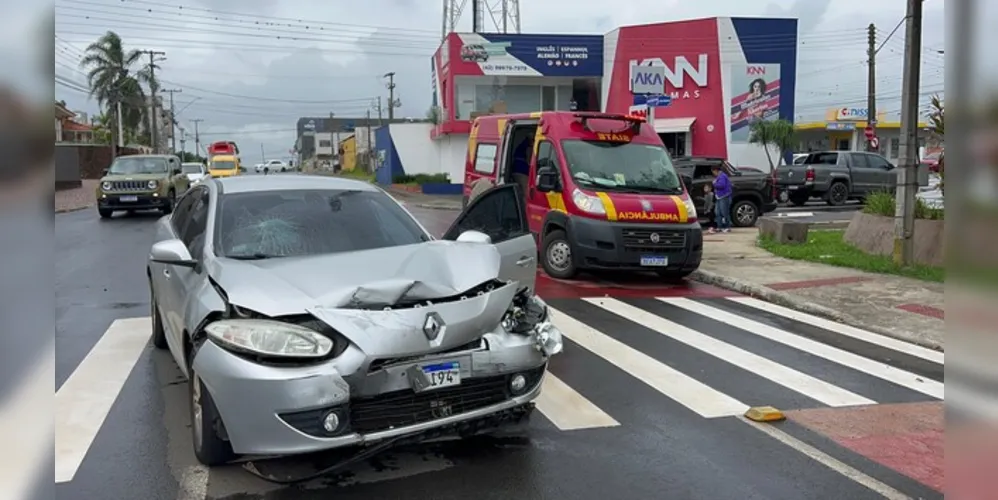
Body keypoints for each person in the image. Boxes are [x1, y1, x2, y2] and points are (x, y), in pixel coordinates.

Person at [711, 164, 733, 233]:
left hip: (724, 196)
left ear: (715, 170)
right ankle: (719, 226)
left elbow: (722, 185)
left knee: (724, 212)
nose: (713, 173)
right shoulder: (719, 177)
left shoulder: (722, 176)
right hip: (719, 197)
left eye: (713, 172)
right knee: (717, 212)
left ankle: (727, 227)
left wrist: (714, 184)